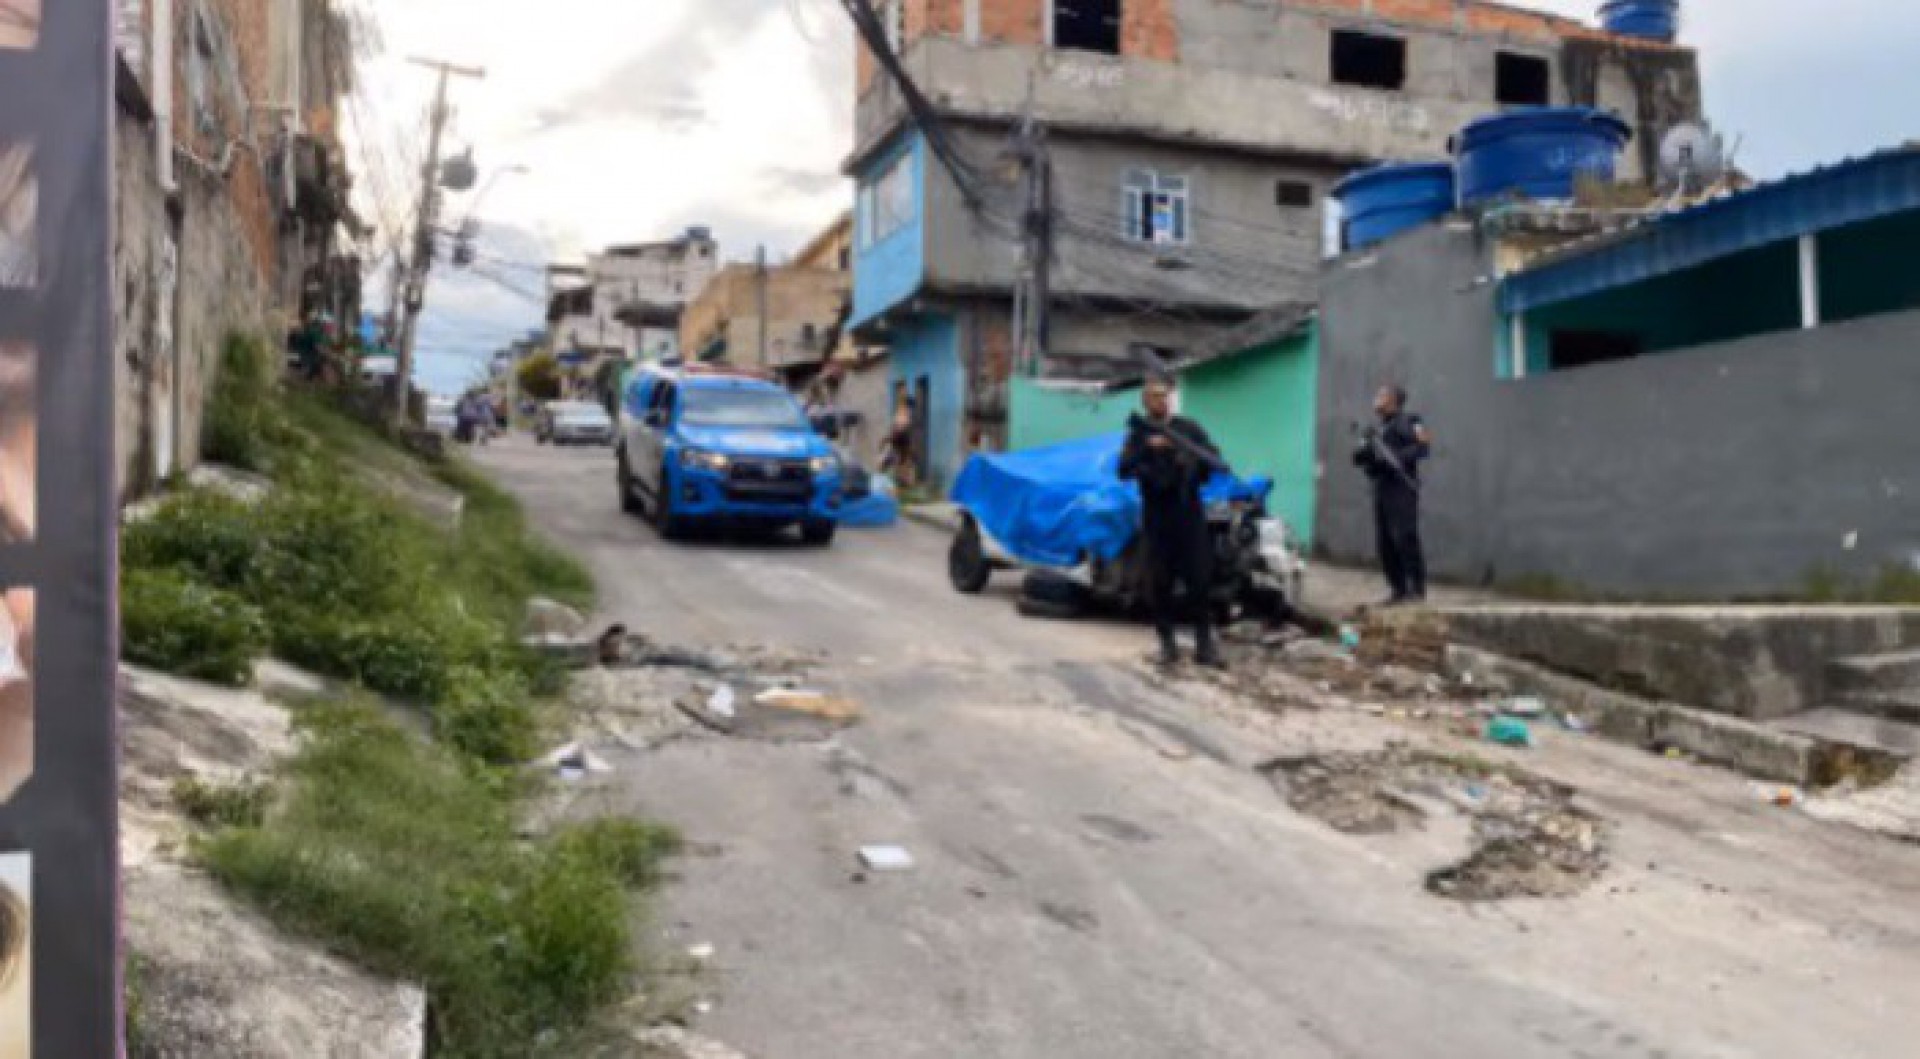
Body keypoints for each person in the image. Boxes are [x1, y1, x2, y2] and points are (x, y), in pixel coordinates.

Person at [1119, 377, 1226, 668]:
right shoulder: (1139, 435)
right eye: (1153, 397)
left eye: (1163, 396)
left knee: (1200, 581)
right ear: (1145, 402)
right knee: (1160, 583)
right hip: (1157, 516)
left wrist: (1187, 454)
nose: (1160, 401)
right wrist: (1150, 447)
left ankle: (1205, 646)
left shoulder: (1187, 428)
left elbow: (1214, 456)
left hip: (1188, 513)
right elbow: (1123, 469)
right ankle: (1168, 644)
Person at [1354, 383, 1432, 605]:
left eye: (1382, 394)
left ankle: (1416, 590)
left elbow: (1423, 448)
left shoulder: (1412, 421)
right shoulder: (1377, 429)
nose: (1377, 397)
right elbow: (1367, 458)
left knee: (1405, 537)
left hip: (1402, 487)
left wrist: (1396, 458)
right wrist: (1364, 455)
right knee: (1385, 542)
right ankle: (1397, 590)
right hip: (1382, 488)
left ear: (1395, 400)